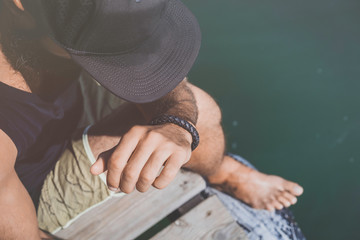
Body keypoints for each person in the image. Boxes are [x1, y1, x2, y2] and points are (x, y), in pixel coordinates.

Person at [0, 0, 305, 239]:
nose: (123, 57)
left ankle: (220, 171)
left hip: (62, 101)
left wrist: (177, 124)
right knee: (203, 113)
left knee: (196, 113)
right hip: (26, 189)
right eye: (102, 51)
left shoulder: (55, 18)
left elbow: (148, 62)